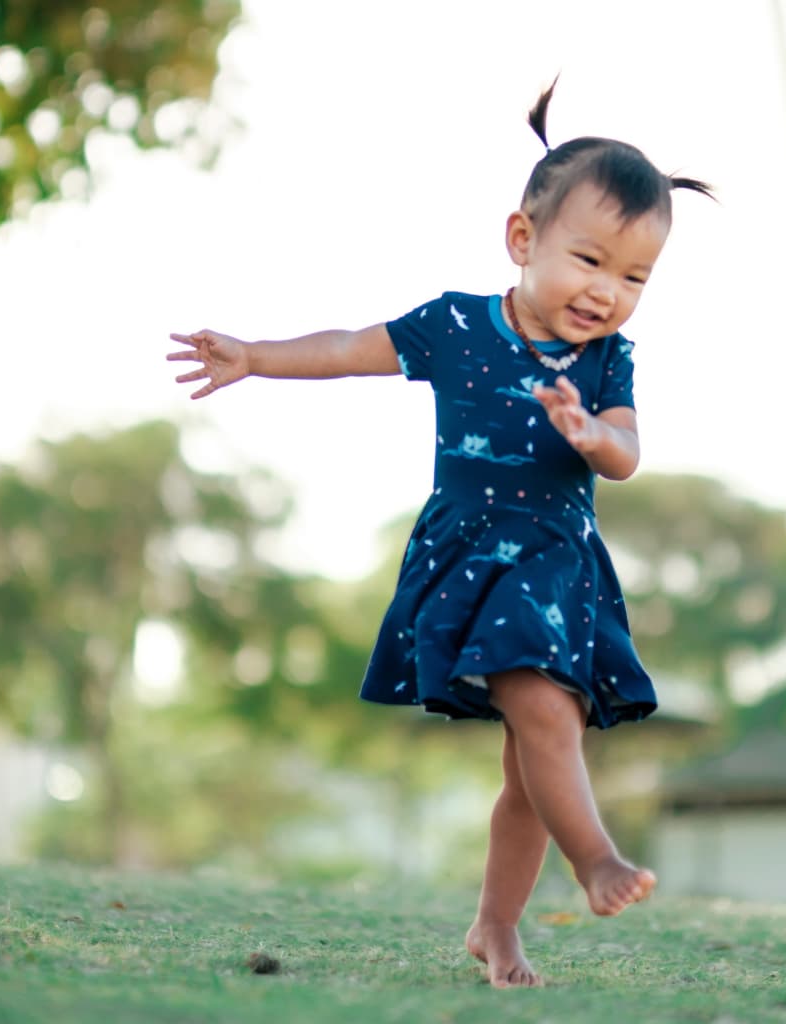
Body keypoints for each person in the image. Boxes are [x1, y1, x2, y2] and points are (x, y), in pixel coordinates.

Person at [167, 80, 712, 989]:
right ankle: (599, 862)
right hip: (475, 557)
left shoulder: (604, 359)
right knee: (543, 719)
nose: (607, 292)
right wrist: (255, 357)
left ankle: (496, 927)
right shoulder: (455, 324)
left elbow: (626, 454)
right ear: (522, 239)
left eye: (634, 278)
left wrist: (593, 436)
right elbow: (348, 348)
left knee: (528, 769)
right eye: (590, 261)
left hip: (557, 566)